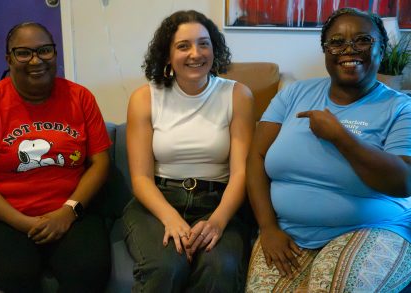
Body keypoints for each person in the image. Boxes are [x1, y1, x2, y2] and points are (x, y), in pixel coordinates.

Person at [246, 7, 411, 292]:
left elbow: (403, 182)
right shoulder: (294, 94)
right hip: (288, 232)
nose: (349, 49)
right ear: (325, 51)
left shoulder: (401, 108)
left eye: (363, 40)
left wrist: (341, 137)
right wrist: (267, 227)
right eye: (336, 42)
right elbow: (256, 157)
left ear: (382, 50)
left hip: (373, 228)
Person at [0, 22, 111, 292]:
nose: (36, 60)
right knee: (15, 276)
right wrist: (21, 222)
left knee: (90, 271)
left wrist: (68, 212)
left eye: (45, 50)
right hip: (3, 217)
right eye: (24, 53)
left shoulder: (80, 98)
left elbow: (100, 162)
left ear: (55, 54)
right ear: (8, 58)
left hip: (70, 211)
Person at [124, 10, 255, 292]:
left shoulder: (238, 95)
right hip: (159, 201)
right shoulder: (144, 98)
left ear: (214, 48)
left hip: (218, 201)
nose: (196, 53)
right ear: (167, 54)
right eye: (183, 46)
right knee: (166, 266)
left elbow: (241, 172)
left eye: (204, 43)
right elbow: (140, 179)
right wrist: (171, 218)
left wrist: (218, 221)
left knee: (221, 267)